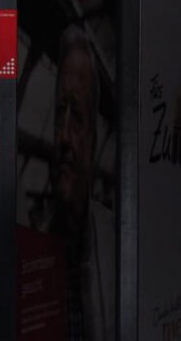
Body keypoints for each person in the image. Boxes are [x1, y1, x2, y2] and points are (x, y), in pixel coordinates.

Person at [46, 26, 117, 341]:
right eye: (60, 113)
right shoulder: (29, 249)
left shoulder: (117, 242)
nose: (63, 135)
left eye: (77, 119)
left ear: (93, 142)